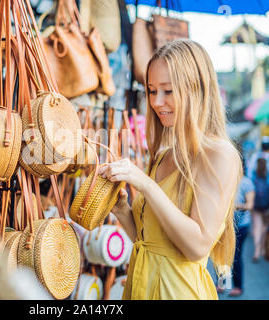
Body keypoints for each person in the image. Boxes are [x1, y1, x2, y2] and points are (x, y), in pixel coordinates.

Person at [99, 39, 242, 300]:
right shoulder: (164, 155)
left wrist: (145, 184)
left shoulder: (219, 154)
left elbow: (196, 246)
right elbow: (151, 243)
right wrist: (122, 210)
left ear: (196, 89)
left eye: (168, 90)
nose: (156, 102)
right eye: (152, 91)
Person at [227, 160, 255, 297]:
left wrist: (234, 206)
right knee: (223, 254)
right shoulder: (227, 180)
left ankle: (238, 286)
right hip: (227, 225)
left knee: (236, 256)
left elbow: (250, 205)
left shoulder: (246, 182)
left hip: (241, 226)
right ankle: (223, 283)